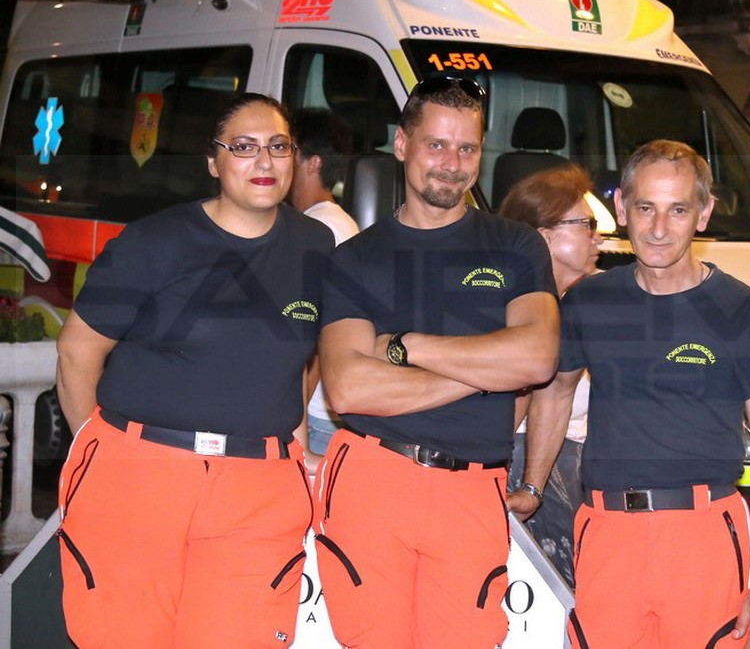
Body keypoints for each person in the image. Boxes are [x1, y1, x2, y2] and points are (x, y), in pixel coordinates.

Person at [54, 93, 334, 648]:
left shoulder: (315, 245)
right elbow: (76, 352)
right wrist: (98, 452)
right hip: (138, 479)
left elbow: (298, 361)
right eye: (244, 147)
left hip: (258, 492)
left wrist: (296, 446)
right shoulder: (154, 242)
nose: (264, 161)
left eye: (278, 146)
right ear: (213, 161)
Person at [518, 140, 750, 649]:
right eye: (645, 208)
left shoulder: (745, 312)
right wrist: (533, 489)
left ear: (704, 214)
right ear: (622, 208)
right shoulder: (588, 301)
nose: (659, 228)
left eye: (678, 210)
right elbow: (555, 393)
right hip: (606, 534)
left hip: (705, 537)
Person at [312, 76, 560, 648]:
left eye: (467, 148)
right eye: (436, 145)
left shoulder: (517, 245)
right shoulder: (355, 258)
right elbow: (348, 388)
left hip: (472, 489)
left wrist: (406, 346)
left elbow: (537, 357)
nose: (452, 163)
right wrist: (486, 374)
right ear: (402, 144)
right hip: (372, 480)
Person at [500, 163, 602, 587]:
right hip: (533, 469)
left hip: (579, 474)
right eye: (587, 225)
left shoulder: (592, 301)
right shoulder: (512, 308)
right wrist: (530, 487)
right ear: (544, 237)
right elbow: (510, 406)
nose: (599, 238)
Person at [287, 107, 360, 457]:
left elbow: (314, 334)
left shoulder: (319, 230)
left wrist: (292, 420)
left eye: (286, 150)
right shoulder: (336, 222)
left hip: (314, 420)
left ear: (313, 162)